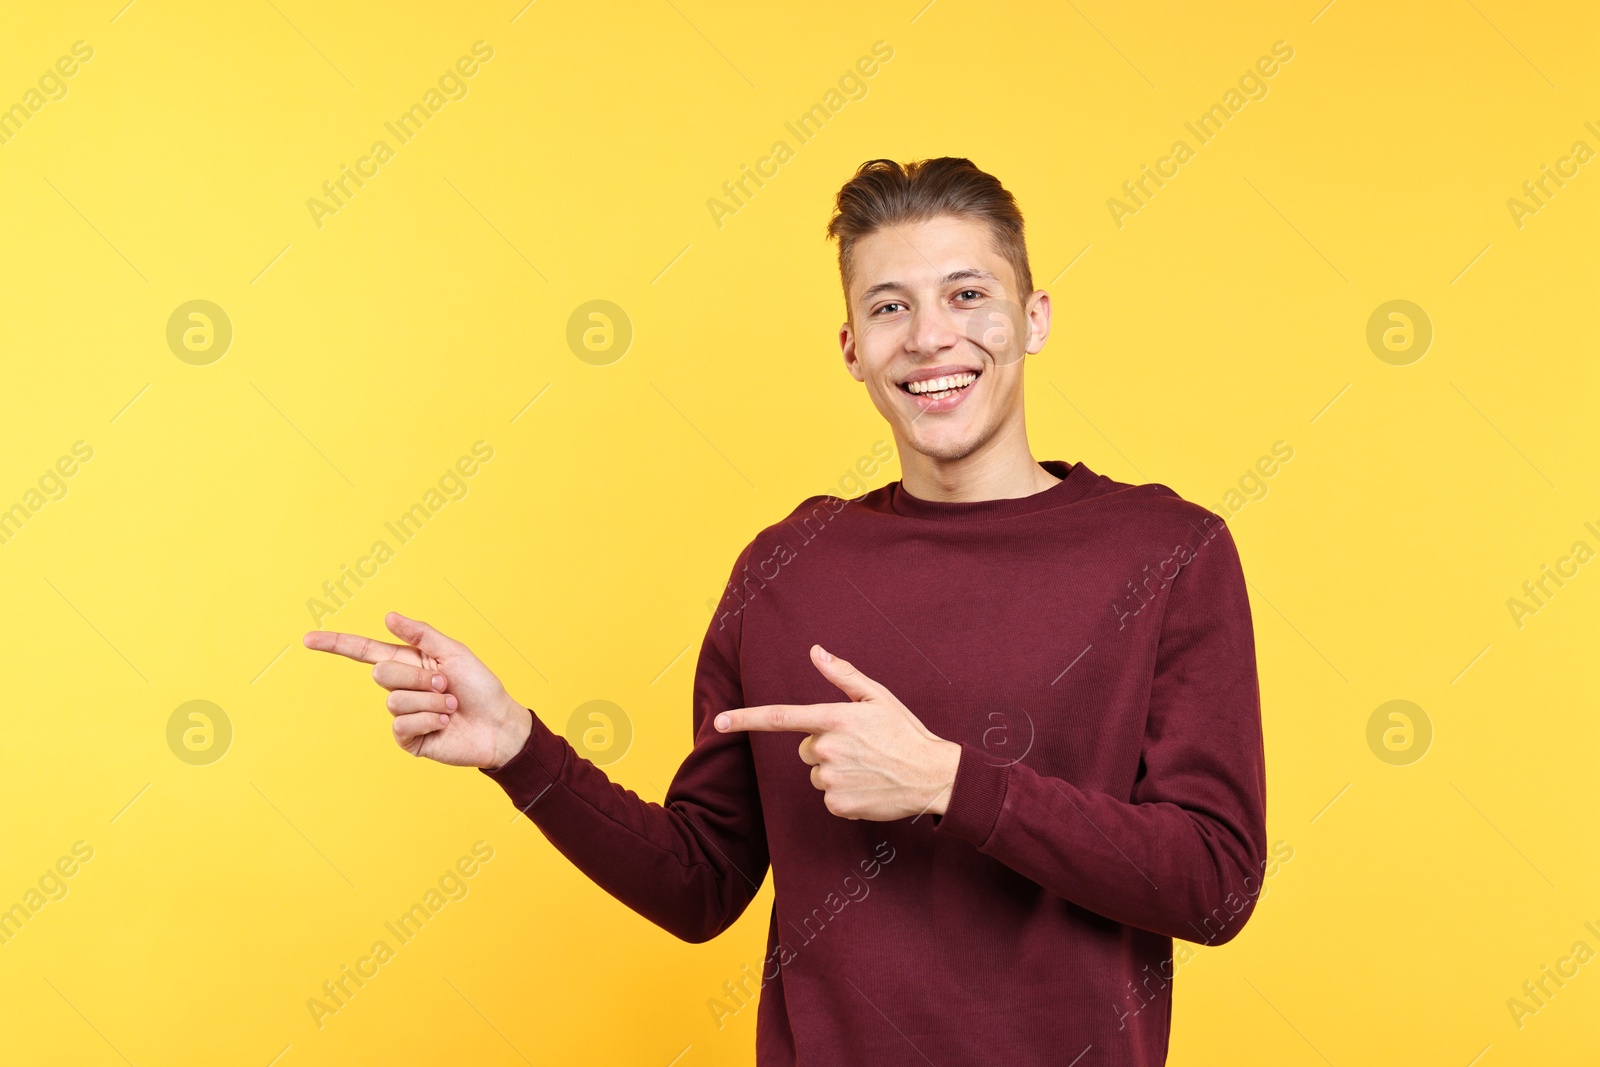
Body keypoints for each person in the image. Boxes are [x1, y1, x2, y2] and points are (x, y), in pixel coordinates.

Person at [305, 157, 1268, 1066]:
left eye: (967, 294)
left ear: (1035, 317)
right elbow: (700, 881)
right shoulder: (788, 567)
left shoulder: (1165, 551)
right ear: (853, 348)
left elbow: (1217, 879)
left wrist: (951, 782)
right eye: (890, 306)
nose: (930, 335)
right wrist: (521, 748)